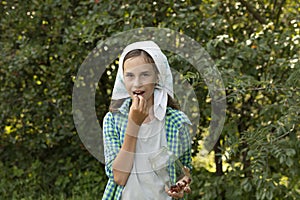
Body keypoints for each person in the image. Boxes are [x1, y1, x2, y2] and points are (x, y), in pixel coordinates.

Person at [102, 41, 192, 200]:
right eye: (130, 75)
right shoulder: (112, 120)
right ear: (123, 79)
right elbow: (119, 177)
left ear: (158, 76)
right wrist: (134, 124)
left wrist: (181, 184)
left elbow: (184, 171)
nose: (137, 83)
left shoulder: (178, 122)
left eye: (145, 74)